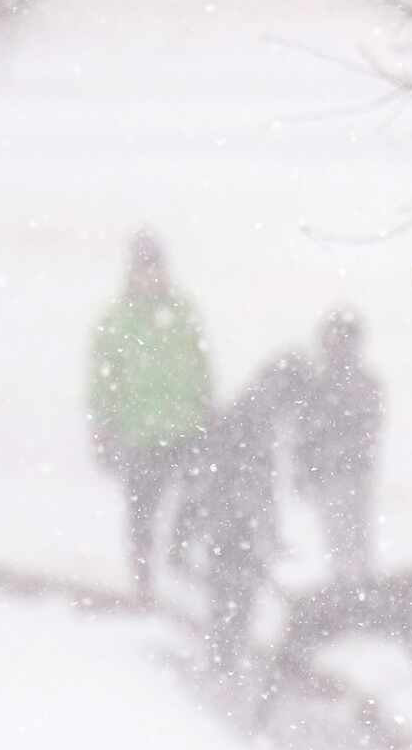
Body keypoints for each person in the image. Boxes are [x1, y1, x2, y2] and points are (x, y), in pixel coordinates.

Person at [87, 233, 213, 603]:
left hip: (186, 429)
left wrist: (207, 410)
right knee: (142, 512)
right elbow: (103, 382)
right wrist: (103, 428)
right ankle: (143, 581)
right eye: (145, 268)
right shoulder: (116, 322)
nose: (152, 276)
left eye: (157, 267)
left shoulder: (182, 313)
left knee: (196, 501)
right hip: (140, 434)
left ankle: (179, 559)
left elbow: (201, 366)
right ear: (133, 272)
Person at [173, 351, 315, 670]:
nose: (294, 413)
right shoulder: (254, 415)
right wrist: (255, 519)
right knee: (234, 587)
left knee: (234, 587)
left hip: (231, 512)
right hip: (231, 514)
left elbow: (253, 477)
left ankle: (225, 654)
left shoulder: (252, 409)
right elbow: (246, 476)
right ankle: (224, 657)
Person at [293, 307, 384, 578]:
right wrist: (306, 469)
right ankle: (348, 589)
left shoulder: (361, 384)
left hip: (349, 473)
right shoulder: (317, 386)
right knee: (341, 541)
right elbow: (303, 435)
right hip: (331, 474)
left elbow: (369, 431)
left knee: (354, 538)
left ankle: (356, 588)